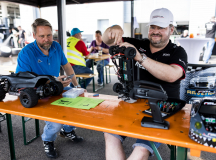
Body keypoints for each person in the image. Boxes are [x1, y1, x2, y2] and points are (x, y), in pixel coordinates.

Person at [102, 8, 187, 160]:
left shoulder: (178, 51)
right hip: (132, 103)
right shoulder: (137, 43)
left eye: (161, 27)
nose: (156, 31)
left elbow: (172, 75)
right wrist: (113, 29)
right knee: (110, 134)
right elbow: (107, 40)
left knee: (141, 150)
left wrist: (140, 58)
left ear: (171, 29)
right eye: (153, 27)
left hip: (163, 108)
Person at [16, 18, 83, 159]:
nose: (46, 39)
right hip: (38, 93)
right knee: (56, 122)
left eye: (49, 35)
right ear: (34, 36)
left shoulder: (56, 46)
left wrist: (77, 86)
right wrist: (52, 80)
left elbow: (67, 66)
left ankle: (68, 130)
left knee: (77, 103)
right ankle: (48, 140)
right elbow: (23, 81)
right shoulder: (26, 53)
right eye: (42, 36)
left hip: (56, 88)